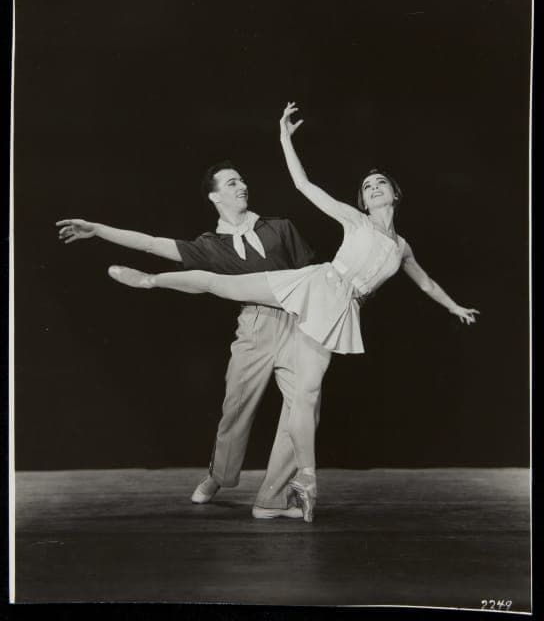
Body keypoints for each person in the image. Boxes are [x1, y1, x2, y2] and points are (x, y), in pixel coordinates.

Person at [106, 102, 479, 523]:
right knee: (220, 299)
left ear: (394, 194)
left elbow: (425, 281)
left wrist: (455, 306)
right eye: (368, 184)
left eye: (380, 183)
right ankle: (152, 281)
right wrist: (284, 138)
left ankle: (280, 494)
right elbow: (304, 185)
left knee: (305, 399)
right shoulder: (354, 220)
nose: (373, 187)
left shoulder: (400, 246)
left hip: (335, 308)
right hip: (306, 289)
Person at [57, 160, 330, 521]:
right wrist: (98, 229)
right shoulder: (209, 246)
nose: (242, 186)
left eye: (242, 180)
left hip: (298, 326)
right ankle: (219, 476)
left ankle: (273, 497)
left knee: (303, 410)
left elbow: (314, 275)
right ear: (215, 196)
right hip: (254, 327)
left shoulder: (280, 227)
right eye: (232, 183)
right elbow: (153, 244)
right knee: (235, 411)